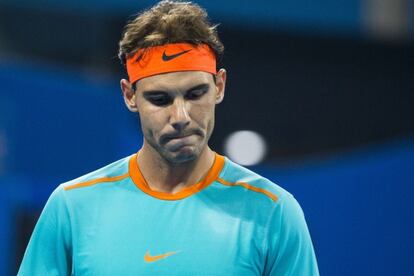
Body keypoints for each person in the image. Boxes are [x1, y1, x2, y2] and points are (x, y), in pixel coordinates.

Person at [18, 1, 319, 275]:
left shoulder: (274, 212)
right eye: (160, 99)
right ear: (129, 96)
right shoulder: (71, 208)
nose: (181, 117)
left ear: (219, 86)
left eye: (195, 94)